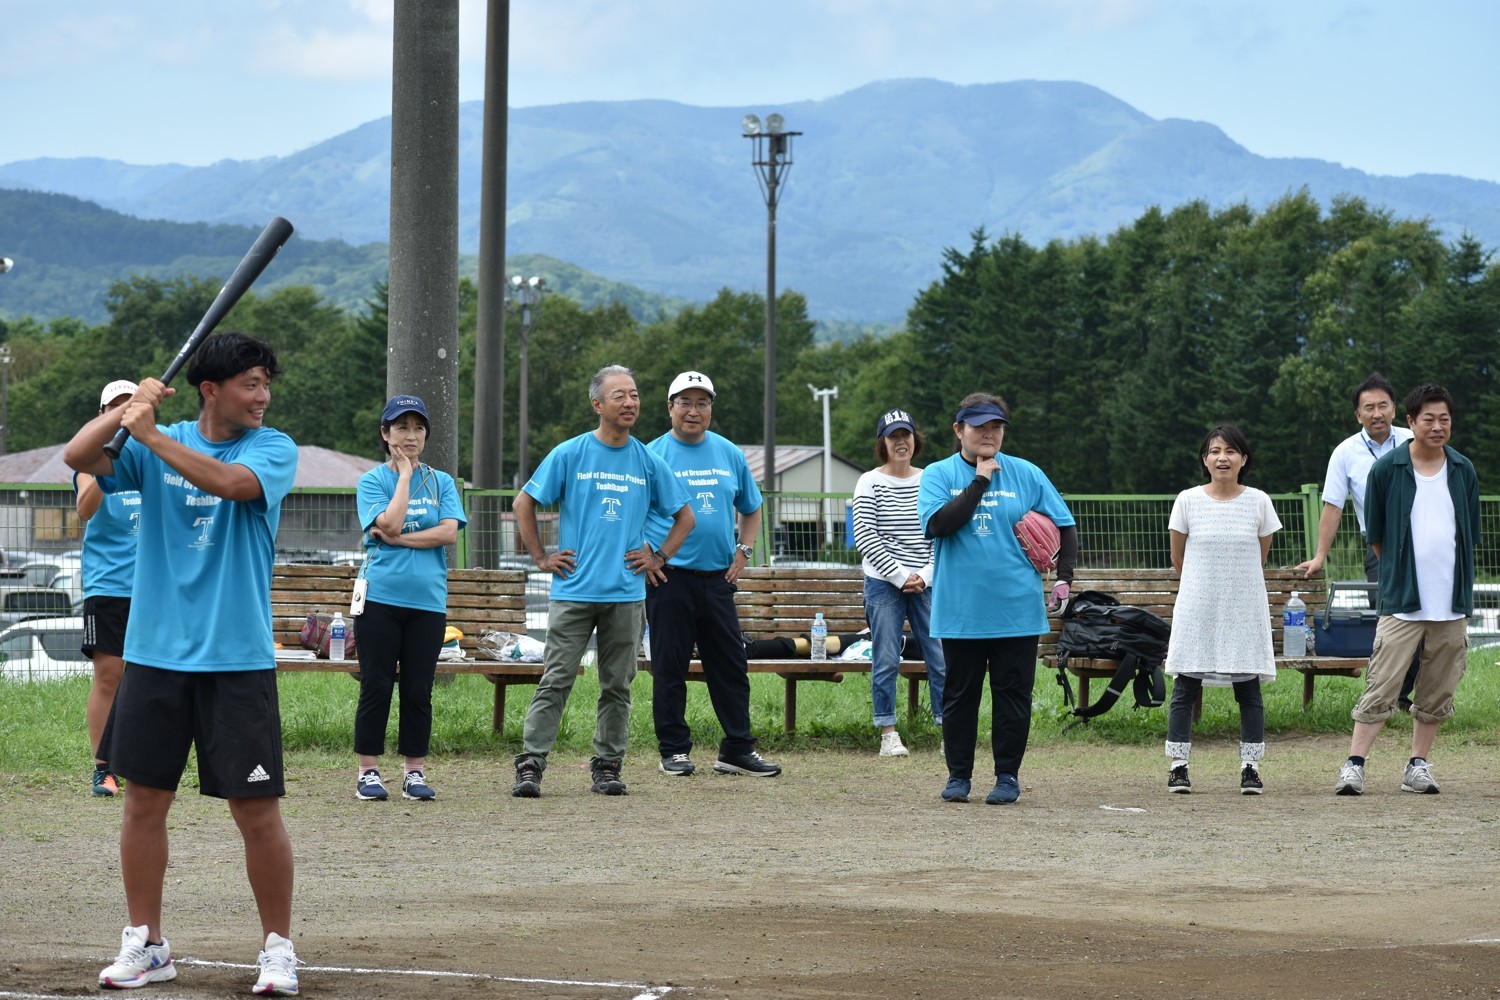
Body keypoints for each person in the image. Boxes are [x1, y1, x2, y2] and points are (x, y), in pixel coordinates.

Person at [63, 332, 302, 995]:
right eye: (250, 384)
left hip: (236, 659)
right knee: (142, 804)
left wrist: (151, 436)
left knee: (256, 811)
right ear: (211, 390)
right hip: (154, 656)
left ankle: (278, 949)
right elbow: (78, 456)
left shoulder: (271, 448)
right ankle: (147, 944)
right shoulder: (153, 440)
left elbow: (230, 483)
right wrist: (128, 411)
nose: (262, 396)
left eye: (265, 383)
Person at [511, 365, 693, 798]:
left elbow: (685, 517)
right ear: (597, 404)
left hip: (626, 595)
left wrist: (658, 556)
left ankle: (608, 766)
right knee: (556, 679)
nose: (630, 403)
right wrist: (541, 556)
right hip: (573, 590)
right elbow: (523, 503)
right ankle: (531, 764)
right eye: (619, 396)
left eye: (634, 395)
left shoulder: (647, 460)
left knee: (617, 686)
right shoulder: (570, 453)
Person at [918, 393, 1076, 805]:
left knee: (1013, 696)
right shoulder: (938, 474)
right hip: (961, 610)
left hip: (1017, 608)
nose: (989, 434)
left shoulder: (1027, 473)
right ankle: (959, 776)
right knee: (959, 696)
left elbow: (1065, 524)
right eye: (979, 426)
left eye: (996, 427)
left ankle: (1007, 776)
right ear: (959, 430)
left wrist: (1064, 579)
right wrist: (980, 481)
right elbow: (940, 525)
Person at [1335, 384, 1479, 797]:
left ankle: (1417, 765)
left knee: (1438, 686)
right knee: (1382, 680)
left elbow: (1469, 533)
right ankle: (1354, 764)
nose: (1437, 427)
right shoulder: (1387, 469)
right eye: (1428, 419)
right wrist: (1400, 573)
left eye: (1444, 419)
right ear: (1411, 422)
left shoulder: (1463, 469)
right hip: (1402, 601)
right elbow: (1377, 536)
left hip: (1452, 602)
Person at [644, 371, 781, 777]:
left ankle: (737, 749)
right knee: (670, 667)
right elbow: (633, 508)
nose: (693, 410)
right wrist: (648, 554)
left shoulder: (728, 453)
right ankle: (674, 750)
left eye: (702, 403)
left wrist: (744, 550)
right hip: (670, 578)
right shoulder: (651, 454)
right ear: (670, 408)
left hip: (719, 579)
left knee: (730, 666)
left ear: (711, 409)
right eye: (685, 402)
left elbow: (751, 507)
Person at [352, 394, 466, 802]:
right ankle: (368, 772)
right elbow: (390, 520)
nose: (411, 435)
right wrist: (403, 476)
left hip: (427, 602)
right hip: (379, 599)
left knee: (418, 689)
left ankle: (413, 772)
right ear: (385, 434)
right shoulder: (371, 481)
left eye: (418, 428)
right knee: (377, 684)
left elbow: (448, 533)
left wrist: (398, 539)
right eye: (401, 427)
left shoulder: (441, 482)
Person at [1164, 425, 1281, 795]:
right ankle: (1178, 766)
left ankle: (1250, 768)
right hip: (1197, 606)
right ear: (1205, 459)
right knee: (1186, 686)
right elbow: (1179, 558)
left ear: (1243, 459)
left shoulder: (1259, 501)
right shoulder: (1187, 500)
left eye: (1230, 451)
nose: (1222, 458)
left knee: (1248, 690)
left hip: (1243, 607)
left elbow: (1260, 556)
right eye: (1214, 451)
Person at [1295, 372, 1420, 708]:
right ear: (1358, 415)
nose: (1377, 413)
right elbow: (1333, 507)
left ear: (1394, 409)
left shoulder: (1414, 440)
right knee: (1388, 618)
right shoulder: (1345, 452)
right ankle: (1393, 694)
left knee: (1428, 615)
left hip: (1424, 542)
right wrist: (1320, 556)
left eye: (1383, 405)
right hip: (1380, 546)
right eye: (1369, 408)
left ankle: (1411, 693)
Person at [851, 407, 947, 757]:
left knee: (940, 658)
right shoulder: (869, 481)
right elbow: (865, 535)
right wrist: (900, 575)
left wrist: (925, 575)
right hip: (883, 582)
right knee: (887, 659)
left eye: (906, 435)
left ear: (915, 439)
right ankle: (887, 733)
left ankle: (949, 730)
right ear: (883, 443)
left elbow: (940, 530)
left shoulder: (931, 479)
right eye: (893, 437)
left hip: (926, 581)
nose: (901, 442)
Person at [77, 378, 141, 797]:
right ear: (102, 415)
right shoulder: (90, 461)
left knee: (152, 678)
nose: (122, 414)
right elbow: (84, 509)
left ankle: (144, 763)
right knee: (110, 674)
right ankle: (104, 768)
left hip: (154, 587)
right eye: (114, 408)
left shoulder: (154, 458)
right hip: (109, 585)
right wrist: (106, 465)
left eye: (129, 406)